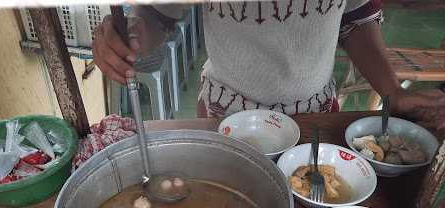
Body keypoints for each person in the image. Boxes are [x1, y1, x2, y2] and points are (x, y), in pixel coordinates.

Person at [92, 1, 445, 131]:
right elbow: (159, 12)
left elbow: (354, 17)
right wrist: (133, 33)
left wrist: (392, 92)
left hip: (314, 120)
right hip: (223, 117)